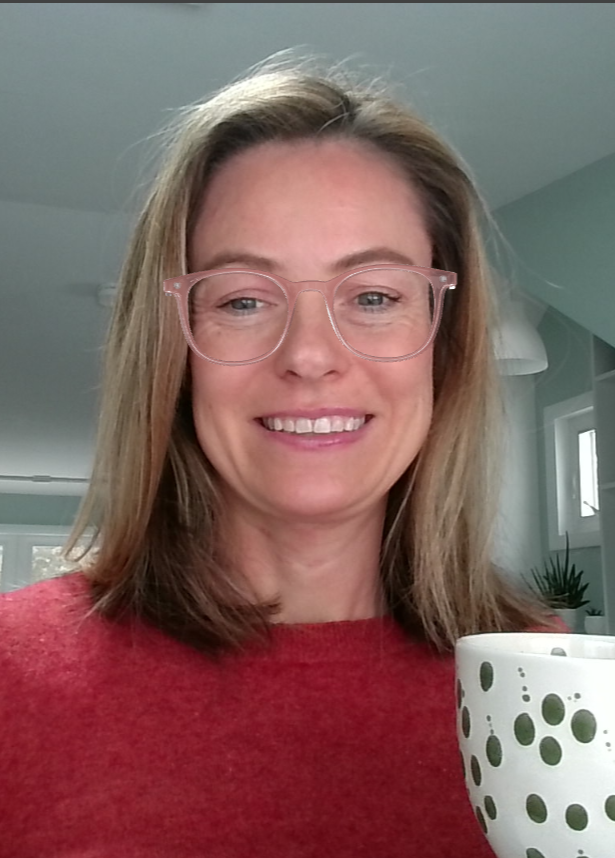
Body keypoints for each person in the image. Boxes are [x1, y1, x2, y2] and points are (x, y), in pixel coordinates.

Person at [0, 57, 555, 857]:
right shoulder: (13, 676)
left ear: (445, 344)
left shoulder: (547, 679)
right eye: (243, 300)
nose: (309, 356)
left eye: (374, 296)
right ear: (171, 352)